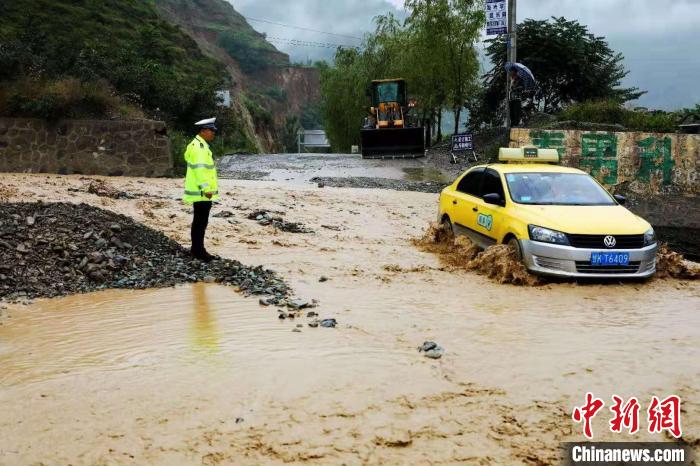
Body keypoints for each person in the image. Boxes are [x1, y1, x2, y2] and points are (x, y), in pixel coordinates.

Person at [183, 117, 219, 262]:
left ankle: (197, 249)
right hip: (202, 193)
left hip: (199, 192)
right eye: (212, 131)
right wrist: (206, 189)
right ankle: (199, 251)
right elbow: (200, 171)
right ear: (203, 131)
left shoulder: (197, 145)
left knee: (199, 221)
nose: (213, 134)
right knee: (200, 222)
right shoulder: (199, 148)